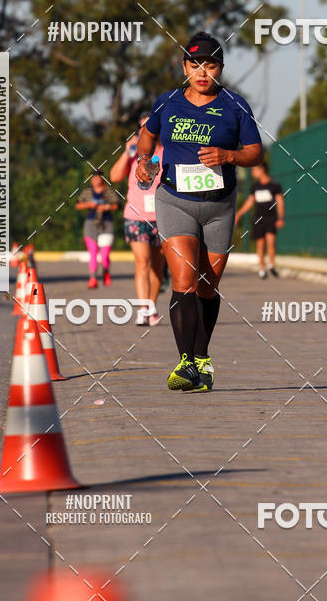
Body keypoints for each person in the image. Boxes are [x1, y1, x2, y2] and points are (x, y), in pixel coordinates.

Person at [136, 31, 264, 392]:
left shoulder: (236, 106)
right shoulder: (167, 103)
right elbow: (148, 136)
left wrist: (229, 156)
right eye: (195, 65)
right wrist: (144, 160)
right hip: (174, 199)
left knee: (208, 285)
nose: (202, 72)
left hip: (220, 206)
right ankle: (186, 362)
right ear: (184, 67)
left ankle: (202, 358)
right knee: (183, 280)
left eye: (210, 65)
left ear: (220, 68)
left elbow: (256, 153)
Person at [109, 116, 165, 326]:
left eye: (149, 126)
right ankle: (143, 309)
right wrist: (127, 152)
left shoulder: (165, 152)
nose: (145, 130)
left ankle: (150, 307)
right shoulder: (135, 156)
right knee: (143, 262)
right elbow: (114, 177)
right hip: (135, 216)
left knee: (157, 268)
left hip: (161, 218)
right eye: (141, 127)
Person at [235, 161, 285, 278]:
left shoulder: (274, 185)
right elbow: (250, 202)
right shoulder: (255, 186)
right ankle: (262, 268)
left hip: (271, 218)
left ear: (262, 169)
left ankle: (271, 265)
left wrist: (280, 218)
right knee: (260, 245)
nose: (253, 172)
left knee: (271, 242)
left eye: (254, 170)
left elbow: (280, 201)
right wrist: (239, 214)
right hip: (258, 219)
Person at [75, 171, 119, 289]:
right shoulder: (87, 192)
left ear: (102, 179)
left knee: (104, 255)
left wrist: (106, 207)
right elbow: (78, 205)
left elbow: (117, 205)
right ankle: (93, 278)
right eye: (93, 178)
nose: (95, 180)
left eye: (97, 178)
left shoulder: (108, 191)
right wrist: (89, 205)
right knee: (93, 252)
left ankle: (105, 270)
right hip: (90, 224)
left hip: (106, 224)